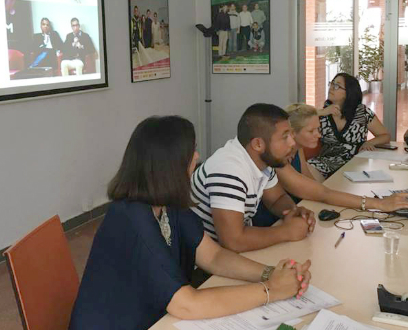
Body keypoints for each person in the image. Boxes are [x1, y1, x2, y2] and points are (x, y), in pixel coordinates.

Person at [68, 116, 312, 330]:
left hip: (155, 317)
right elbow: (187, 304)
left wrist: (271, 274)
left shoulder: (168, 204)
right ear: (168, 164)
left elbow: (213, 256)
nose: (197, 156)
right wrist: (271, 290)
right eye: (191, 151)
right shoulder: (131, 219)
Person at [252, 104, 408, 227]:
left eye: (318, 129)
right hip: (271, 224)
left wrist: (341, 198)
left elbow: (311, 183)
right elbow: (321, 193)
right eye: (311, 131)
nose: (319, 135)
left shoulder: (297, 150)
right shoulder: (277, 159)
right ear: (292, 133)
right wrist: (378, 204)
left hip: (294, 215)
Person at [191, 104, 316, 253]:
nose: (292, 143)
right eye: (285, 137)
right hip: (206, 260)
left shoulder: (261, 160)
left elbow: (276, 199)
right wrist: (287, 232)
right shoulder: (229, 170)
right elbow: (233, 241)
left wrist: (294, 212)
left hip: (230, 253)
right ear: (258, 144)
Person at [308, 73, 391, 180]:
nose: (331, 88)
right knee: (307, 169)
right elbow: (297, 122)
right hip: (326, 162)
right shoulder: (323, 113)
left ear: (348, 92)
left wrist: (369, 143)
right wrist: (321, 112)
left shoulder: (362, 112)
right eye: (331, 84)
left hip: (355, 162)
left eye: (337, 86)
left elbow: (385, 136)